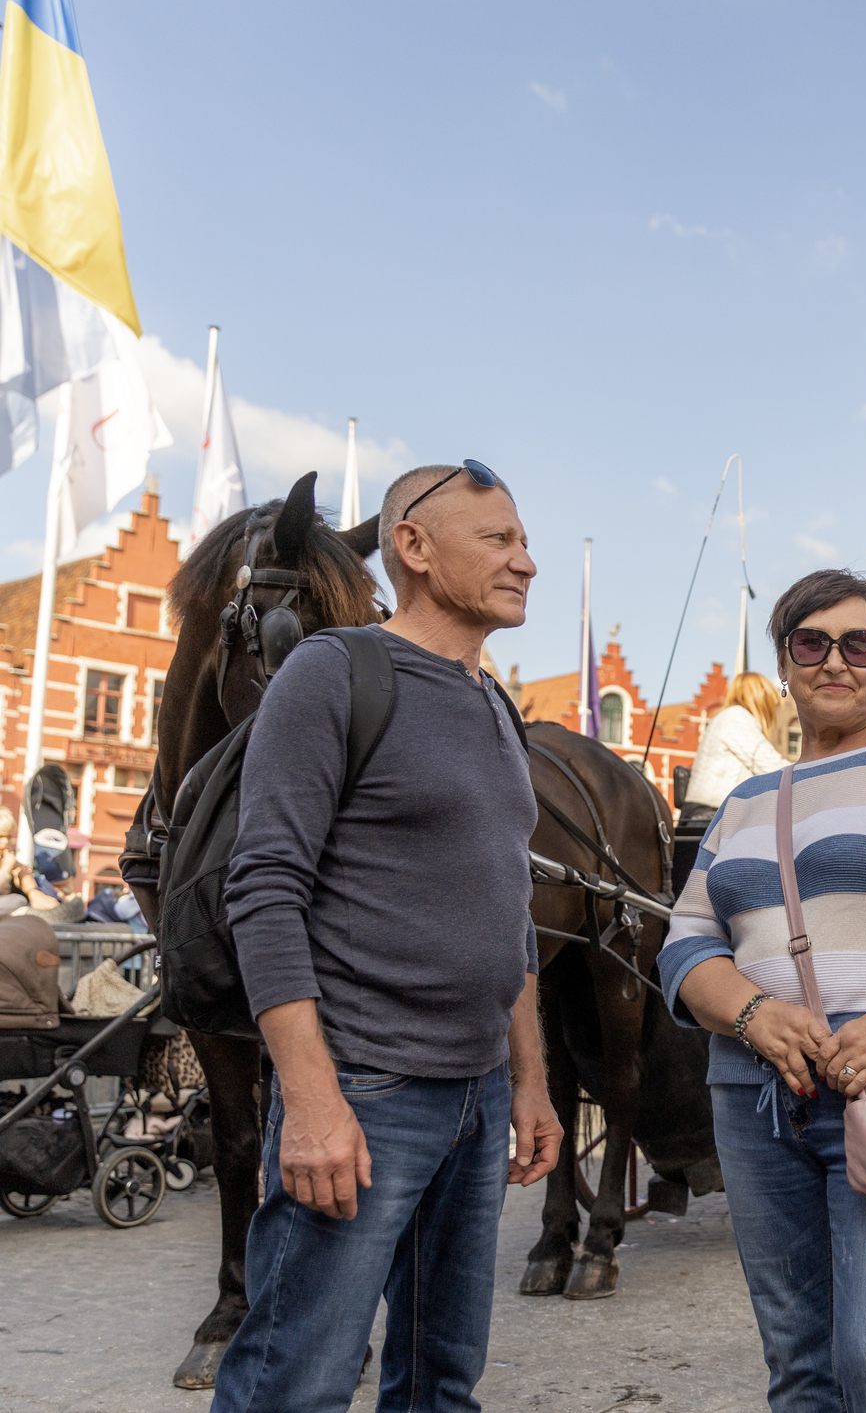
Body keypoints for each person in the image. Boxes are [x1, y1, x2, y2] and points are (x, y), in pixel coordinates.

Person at [211, 462, 563, 1413]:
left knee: (443, 1380)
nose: (527, 562)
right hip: (368, 1090)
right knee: (296, 1379)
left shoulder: (496, 702)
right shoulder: (335, 673)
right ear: (413, 545)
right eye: (498, 541)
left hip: (478, 1097)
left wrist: (526, 1079)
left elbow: (506, 911)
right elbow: (265, 888)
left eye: (524, 540)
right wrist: (314, 1100)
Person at [658, 569, 866, 1413]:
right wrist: (752, 1013)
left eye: (859, 643)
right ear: (785, 662)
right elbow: (685, 940)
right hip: (752, 1096)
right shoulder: (743, 801)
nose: (835, 661)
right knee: (799, 1363)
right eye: (812, 643)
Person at [681, 670, 786, 827]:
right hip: (712, 816)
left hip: (703, 815)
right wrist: (811, 772)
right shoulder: (736, 718)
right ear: (762, 700)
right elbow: (770, 766)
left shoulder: (725, 717)